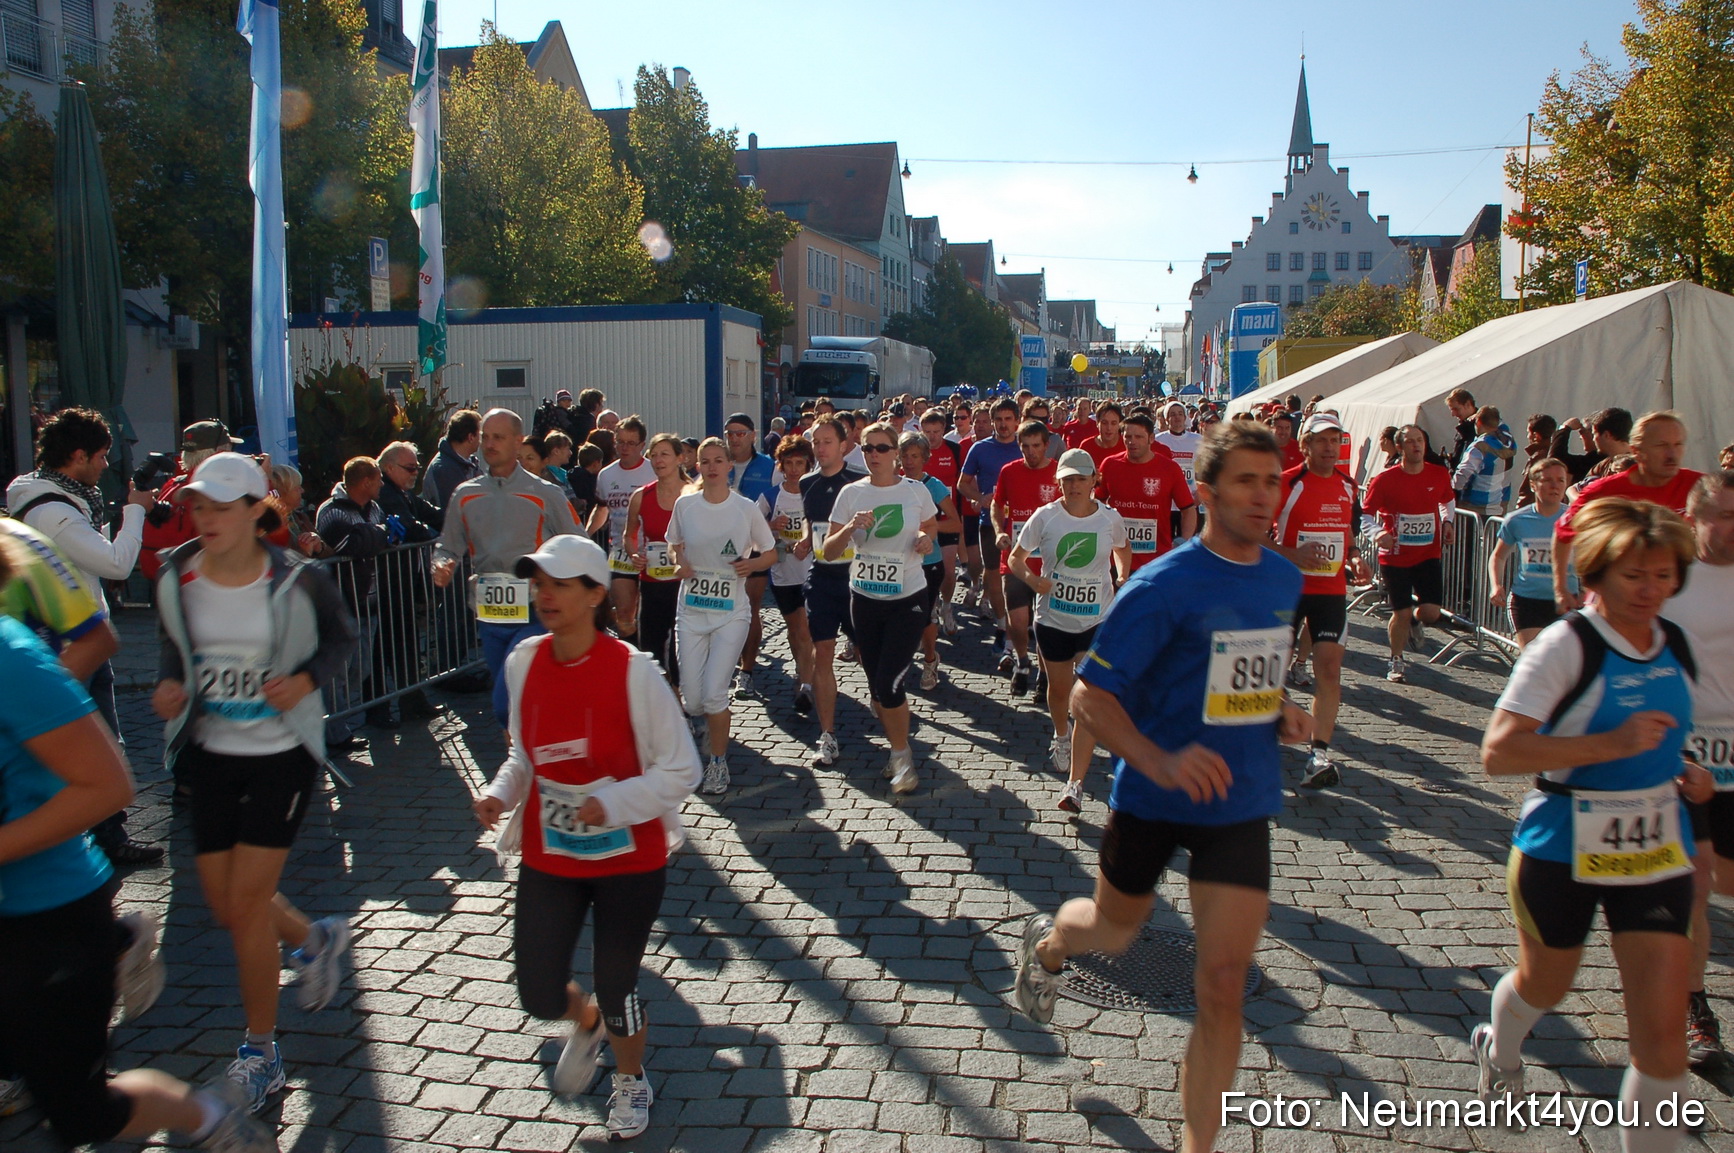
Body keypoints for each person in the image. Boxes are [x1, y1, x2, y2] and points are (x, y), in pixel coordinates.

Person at [1013, 423, 1311, 1153]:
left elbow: (1241, 673)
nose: (1262, 496)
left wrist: (1277, 707)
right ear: (1204, 493)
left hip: (1239, 803)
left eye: (1271, 481)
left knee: (1221, 986)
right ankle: (1049, 948)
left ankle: (1197, 1144)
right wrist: (1160, 760)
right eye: (1245, 481)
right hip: (1150, 797)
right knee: (1111, 930)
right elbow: (1088, 699)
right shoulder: (1160, 585)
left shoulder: (1281, 576)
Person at [0, 560, 277, 1151]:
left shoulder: (8, 656)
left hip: (45, 914)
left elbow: (108, 787)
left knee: (79, 1112)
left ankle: (205, 1118)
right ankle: (118, 942)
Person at [1474, 498, 1706, 1151]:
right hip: (1561, 843)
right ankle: (1502, 1045)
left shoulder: (1674, 642)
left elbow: (1663, 738)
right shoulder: (1565, 644)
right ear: (1597, 573)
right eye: (1635, 575)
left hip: (1655, 846)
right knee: (1547, 983)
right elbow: (1499, 752)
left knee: (1662, 1038)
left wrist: (1687, 769)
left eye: (1664, 575)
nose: (1651, 590)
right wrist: (1613, 745)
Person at [152, 452, 359, 1113]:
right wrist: (172, 683)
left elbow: (341, 637)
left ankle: (261, 1052)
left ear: (253, 510)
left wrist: (303, 680)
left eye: (220, 506)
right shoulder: (177, 574)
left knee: (244, 904)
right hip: (211, 752)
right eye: (199, 506)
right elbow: (174, 643)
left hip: (281, 753)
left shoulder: (297, 578)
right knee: (224, 902)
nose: (206, 517)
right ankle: (312, 938)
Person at [474, 534, 699, 1141]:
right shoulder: (524, 660)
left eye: (559, 584)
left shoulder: (633, 672)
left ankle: (630, 1078)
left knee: (618, 978)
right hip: (553, 851)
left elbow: (683, 770)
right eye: (538, 583)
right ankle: (586, 1021)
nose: (544, 595)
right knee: (539, 990)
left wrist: (613, 803)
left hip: (629, 854)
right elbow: (525, 754)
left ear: (596, 593)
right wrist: (500, 792)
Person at [7, 406, 160, 865]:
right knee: (99, 744)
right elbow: (114, 563)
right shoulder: (53, 510)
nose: (105, 466)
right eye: (100, 456)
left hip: (70, 638)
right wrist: (134, 513)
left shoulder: (55, 499)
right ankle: (102, 838)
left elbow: (93, 552)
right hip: (71, 643)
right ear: (77, 456)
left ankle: (94, 833)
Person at [432, 409, 582, 727]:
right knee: (512, 704)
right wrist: (442, 563)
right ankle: (526, 766)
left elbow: (577, 543)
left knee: (505, 702)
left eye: (498, 437)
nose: (489, 444)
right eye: (485, 436)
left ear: (518, 442)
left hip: (534, 610)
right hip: (490, 613)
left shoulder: (546, 494)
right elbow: (448, 545)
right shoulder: (466, 494)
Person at [1008, 449, 1130, 811]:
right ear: (1057, 482)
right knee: (1060, 690)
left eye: (1081, 478)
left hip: (1096, 619)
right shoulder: (1045, 518)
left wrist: (1122, 574)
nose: (1074, 485)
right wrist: (1032, 579)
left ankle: (1074, 784)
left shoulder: (1109, 518)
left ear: (1095, 481)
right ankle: (1061, 735)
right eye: (1068, 479)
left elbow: (1123, 547)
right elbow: (1016, 557)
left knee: (1087, 697)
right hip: (1053, 619)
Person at [823, 422, 938, 793]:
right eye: (868, 448)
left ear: (896, 454)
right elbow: (830, 549)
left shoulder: (915, 491)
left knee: (890, 682)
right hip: (865, 599)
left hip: (908, 599)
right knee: (876, 687)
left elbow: (930, 529)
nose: (874, 454)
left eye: (882, 448)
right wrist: (850, 527)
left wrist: (922, 540)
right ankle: (896, 743)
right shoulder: (851, 493)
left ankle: (903, 757)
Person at [1665, 472, 1734, 1070]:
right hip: (1684, 757)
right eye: (1726, 515)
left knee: (1725, 882)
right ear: (1694, 519)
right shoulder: (1667, 582)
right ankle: (1695, 1008)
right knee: (1697, 883)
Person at [669, 439, 776, 794]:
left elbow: (771, 554)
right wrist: (678, 563)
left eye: (719, 460)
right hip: (692, 611)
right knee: (692, 699)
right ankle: (707, 729)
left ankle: (718, 763)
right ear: (696, 465)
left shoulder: (745, 509)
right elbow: (674, 544)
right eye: (705, 461)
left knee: (715, 694)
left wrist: (752, 563)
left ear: (730, 465)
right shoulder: (685, 505)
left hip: (732, 613)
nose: (712, 467)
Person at [1270, 413, 1367, 788]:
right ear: (1305, 444)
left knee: (1329, 670)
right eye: (1321, 441)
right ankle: (1268, 726)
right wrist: (1290, 554)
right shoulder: (1287, 483)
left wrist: (1356, 556)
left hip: (1330, 592)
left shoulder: (1347, 486)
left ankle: (1319, 753)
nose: (1330, 448)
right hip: (1288, 590)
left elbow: (1347, 531)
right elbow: (1255, 534)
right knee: (1271, 671)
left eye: (1335, 441)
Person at [1554, 411, 1704, 616]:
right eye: (1661, 445)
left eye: (1678, 445)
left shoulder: (1700, 486)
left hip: (1677, 599)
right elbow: (1562, 533)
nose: (1672, 454)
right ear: (1638, 451)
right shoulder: (1605, 491)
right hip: (1615, 604)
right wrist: (1561, 587)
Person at [1362, 425, 1457, 683]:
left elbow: (1447, 500)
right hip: (1395, 556)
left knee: (1431, 613)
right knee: (1400, 612)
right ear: (1400, 448)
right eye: (1410, 442)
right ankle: (1396, 659)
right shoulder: (1385, 480)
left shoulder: (1438, 474)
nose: (1417, 446)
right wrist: (1378, 533)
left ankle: (1416, 621)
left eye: (1420, 440)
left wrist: (1447, 522)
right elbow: (1365, 515)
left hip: (1428, 553)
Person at [800, 416, 867, 766]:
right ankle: (827, 735)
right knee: (822, 653)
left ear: (843, 445)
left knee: (869, 656)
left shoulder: (859, 481)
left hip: (859, 580)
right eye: (816, 442)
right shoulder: (807, 482)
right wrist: (802, 542)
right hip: (822, 578)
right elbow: (813, 528)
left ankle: (888, 712)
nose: (820, 448)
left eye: (827, 441)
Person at [373, 442, 443, 722]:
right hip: (387, 582)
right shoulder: (387, 494)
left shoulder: (404, 493)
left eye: (417, 467)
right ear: (389, 468)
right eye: (410, 468)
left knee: (406, 641)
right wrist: (432, 531)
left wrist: (451, 520)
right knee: (386, 646)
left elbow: (430, 513)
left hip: (402, 582)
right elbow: (413, 528)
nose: (415, 473)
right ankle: (381, 709)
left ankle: (412, 698)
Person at [991, 420, 1061, 696]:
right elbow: (998, 503)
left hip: (1049, 562)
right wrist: (999, 531)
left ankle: (1045, 672)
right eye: (1025, 447)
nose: (1030, 452)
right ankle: (1022, 662)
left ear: (1046, 446)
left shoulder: (1059, 473)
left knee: (1043, 624)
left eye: (1036, 446)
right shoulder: (1009, 471)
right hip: (1016, 559)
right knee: (1018, 621)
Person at [958, 400, 1025, 661]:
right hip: (991, 523)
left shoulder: (1026, 446)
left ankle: (1021, 624)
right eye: (999, 419)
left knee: (1021, 578)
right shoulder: (980, 448)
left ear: (1017, 421)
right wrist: (980, 497)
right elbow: (962, 484)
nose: (1003, 424)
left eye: (1008, 419)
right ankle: (1001, 624)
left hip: (1023, 524)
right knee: (994, 576)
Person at [140, 420, 245, 581]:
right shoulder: (214, 491)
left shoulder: (173, 484)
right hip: (199, 582)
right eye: (230, 450)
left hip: (162, 579)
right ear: (219, 453)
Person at [897, 431, 961, 690]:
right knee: (900, 615)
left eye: (915, 456)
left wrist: (929, 527)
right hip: (899, 560)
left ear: (925, 458)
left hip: (928, 562)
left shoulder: (932, 485)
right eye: (905, 456)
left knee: (923, 616)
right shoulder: (892, 484)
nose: (909, 461)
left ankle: (930, 660)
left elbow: (955, 522)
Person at [623, 433, 689, 682]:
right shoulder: (641, 496)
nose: (658, 460)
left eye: (665, 454)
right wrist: (634, 554)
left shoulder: (693, 495)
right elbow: (629, 535)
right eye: (654, 455)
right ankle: (659, 700)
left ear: (680, 458)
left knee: (681, 648)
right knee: (650, 648)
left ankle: (684, 699)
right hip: (652, 582)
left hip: (684, 582)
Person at [1492, 458, 1577, 648]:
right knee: (1533, 657)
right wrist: (1496, 585)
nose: (1555, 486)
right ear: (1533, 485)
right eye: (1547, 480)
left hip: (1566, 601)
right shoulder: (1517, 520)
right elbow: (1499, 555)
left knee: (1562, 664)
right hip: (1527, 601)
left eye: (1560, 480)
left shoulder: (1576, 519)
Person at [759, 435, 817, 713]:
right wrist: (771, 525)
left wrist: (808, 541)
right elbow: (753, 533)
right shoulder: (770, 496)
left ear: (808, 464)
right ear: (781, 466)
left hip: (812, 572)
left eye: (799, 463)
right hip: (782, 573)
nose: (794, 469)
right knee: (795, 631)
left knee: (804, 630)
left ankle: (806, 685)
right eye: (789, 463)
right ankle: (802, 668)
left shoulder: (814, 491)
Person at [1096, 412, 1195, 571]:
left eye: (1138, 437)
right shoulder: (1110, 464)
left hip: (1156, 559)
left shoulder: (1169, 468)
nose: (1132, 442)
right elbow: (1097, 502)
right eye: (1127, 437)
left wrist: (1183, 542)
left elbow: (1188, 510)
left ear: (1151, 438)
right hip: (1116, 560)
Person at [723, 414, 777, 699]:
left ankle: (747, 669)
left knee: (751, 605)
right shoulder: (719, 463)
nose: (735, 439)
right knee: (725, 605)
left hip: (755, 545)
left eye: (740, 433)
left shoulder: (769, 466)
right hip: (722, 548)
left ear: (753, 435)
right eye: (730, 433)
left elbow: (779, 503)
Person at [588, 416, 655, 645]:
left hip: (654, 551)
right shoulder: (606, 475)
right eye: (620, 442)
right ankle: (633, 656)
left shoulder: (653, 471)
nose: (624, 448)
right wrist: (585, 535)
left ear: (642, 445)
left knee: (651, 615)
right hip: (620, 551)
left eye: (630, 443)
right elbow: (602, 508)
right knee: (624, 613)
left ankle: (656, 659)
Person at [918, 409, 964, 634]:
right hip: (923, 522)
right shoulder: (916, 453)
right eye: (927, 432)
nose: (932, 437)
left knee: (948, 569)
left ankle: (947, 606)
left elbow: (961, 482)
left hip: (947, 518)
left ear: (944, 430)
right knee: (926, 569)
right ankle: (931, 605)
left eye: (936, 432)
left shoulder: (954, 450)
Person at [1454, 404, 1517, 516]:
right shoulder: (1508, 440)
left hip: (1476, 508)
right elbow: (1500, 425)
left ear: (1478, 422)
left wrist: (1451, 487)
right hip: (1500, 505)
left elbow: (1463, 476)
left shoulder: (1479, 447)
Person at [1551, 407, 1634, 485]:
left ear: (1606, 435)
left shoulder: (1639, 463)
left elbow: (1556, 459)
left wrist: (1564, 428)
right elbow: (1581, 488)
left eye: (1594, 434)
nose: (1594, 439)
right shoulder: (1603, 464)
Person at [422, 408, 483, 509]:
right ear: (471, 437)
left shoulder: (469, 463)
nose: (482, 440)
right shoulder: (444, 469)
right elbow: (458, 510)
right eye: (481, 435)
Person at [1079, 402, 1127, 471]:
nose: (1109, 428)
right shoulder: (1086, 446)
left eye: (1113, 423)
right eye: (1104, 423)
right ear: (1097, 423)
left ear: (1119, 425)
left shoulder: (1127, 445)